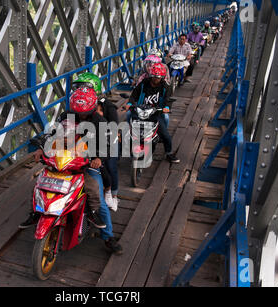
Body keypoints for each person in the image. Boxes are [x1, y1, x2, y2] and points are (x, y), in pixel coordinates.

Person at [19, 87, 123, 255]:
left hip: (85, 165)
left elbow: (106, 145)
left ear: (92, 109)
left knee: (97, 194)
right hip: (61, 161)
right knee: (40, 184)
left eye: (84, 113)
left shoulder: (100, 122)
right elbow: (50, 134)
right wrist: (40, 148)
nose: (80, 116)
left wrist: (98, 159)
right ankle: (36, 212)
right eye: (77, 112)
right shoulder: (65, 117)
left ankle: (107, 235)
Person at [72, 72, 120, 212]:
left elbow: (113, 127)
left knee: (110, 166)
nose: (79, 91)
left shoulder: (108, 107)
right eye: (77, 88)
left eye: (83, 88)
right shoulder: (80, 105)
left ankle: (112, 194)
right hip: (88, 142)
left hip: (107, 139)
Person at [124, 63, 180, 163]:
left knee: (166, 135)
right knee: (128, 118)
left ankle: (169, 153)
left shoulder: (165, 86)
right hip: (141, 110)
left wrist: (166, 107)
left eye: (158, 78)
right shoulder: (143, 83)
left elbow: (168, 99)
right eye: (154, 77)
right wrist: (129, 103)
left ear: (162, 77)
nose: (155, 79)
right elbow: (134, 95)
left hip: (155, 113)